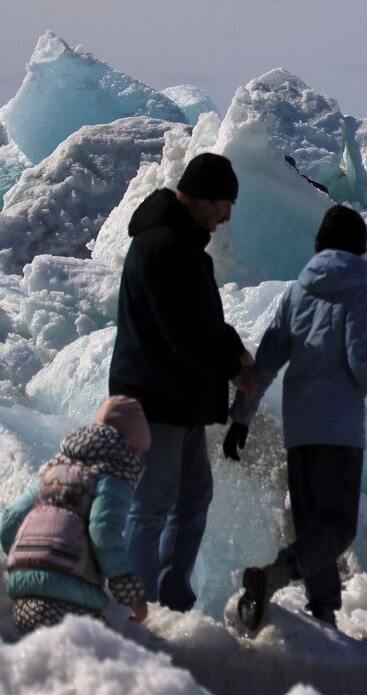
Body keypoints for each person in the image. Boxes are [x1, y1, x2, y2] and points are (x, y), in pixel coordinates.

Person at [225, 205, 367, 632]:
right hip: (338, 432)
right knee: (337, 526)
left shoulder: (297, 293)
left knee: (315, 527)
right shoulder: (356, 293)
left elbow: (267, 361)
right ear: (359, 248)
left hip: (300, 430)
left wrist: (241, 418)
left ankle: (324, 611)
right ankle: (277, 573)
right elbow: (363, 365)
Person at [107, 152, 257, 612]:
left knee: (192, 501)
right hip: (157, 399)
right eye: (223, 205)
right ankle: (139, 613)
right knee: (151, 508)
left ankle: (173, 601)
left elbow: (206, 320)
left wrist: (235, 352)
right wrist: (233, 368)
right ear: (202, 198)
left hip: (182, 400)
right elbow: (184, 331)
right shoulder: (163, 246)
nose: (226, 217)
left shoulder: (183, 246)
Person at [1, 397, 152, 633]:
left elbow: (9, 521)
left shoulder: (52, 471)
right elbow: (103, 533)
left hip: (22, 591)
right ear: (128, 447)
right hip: (70, 602)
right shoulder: (113, 477)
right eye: (140, 453)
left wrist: (25, 562)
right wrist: (131, 596)